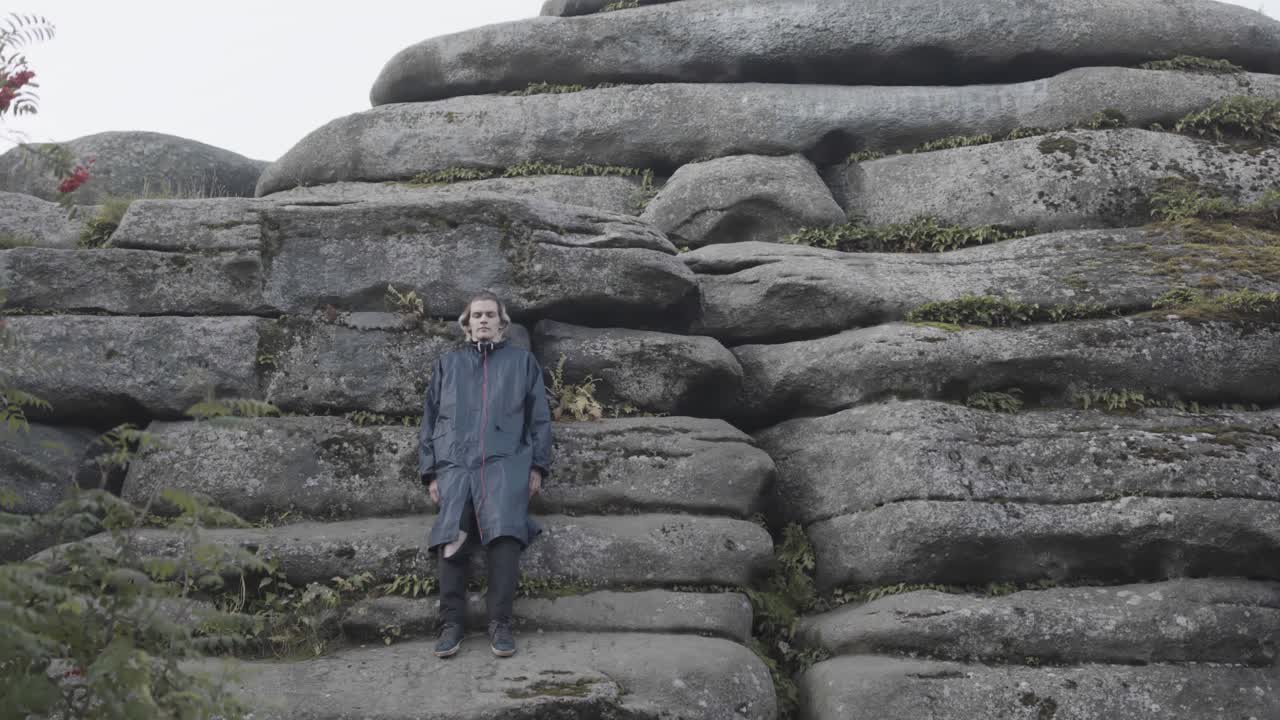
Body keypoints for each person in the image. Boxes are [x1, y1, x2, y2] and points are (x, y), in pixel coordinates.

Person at [418, 291, 552, 659]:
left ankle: (500, 625)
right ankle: (451, 625)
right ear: (467, 323)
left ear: (502, 323)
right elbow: (430, 421)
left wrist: (538, 466)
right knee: (452, 540)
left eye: (490, 315)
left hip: (506, 463)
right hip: (456, 466)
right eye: (476, 315)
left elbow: (539, 419)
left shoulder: (522, 363)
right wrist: (430, 472)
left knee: (505, 537)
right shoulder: (448, 365)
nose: (483, 321)